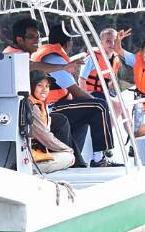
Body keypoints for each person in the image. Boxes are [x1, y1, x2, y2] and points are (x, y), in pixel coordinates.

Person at [32, 24, 122, 168]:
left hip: (53, 105)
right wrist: (98, 103)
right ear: (68, 43)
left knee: (88, 112)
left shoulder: (48, 54)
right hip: (50, 108)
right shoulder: (55, 59)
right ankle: (99, 159)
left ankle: (77, 156)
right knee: (99, 106)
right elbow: (76, 91)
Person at [27, 71, 76, 173]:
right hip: (28, 161)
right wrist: (67, 149)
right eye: (39, 85)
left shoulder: (37, 104)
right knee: (69, 157)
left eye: (47, 86)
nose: (44, 90)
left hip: (33, 155)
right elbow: (45, 136)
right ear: (31, 86)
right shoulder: (32, 107)